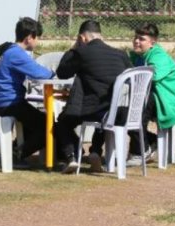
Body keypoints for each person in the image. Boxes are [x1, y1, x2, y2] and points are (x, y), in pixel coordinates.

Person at [53, 20, 131, 174]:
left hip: (95, 108)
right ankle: (95, 151)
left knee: (62, 121)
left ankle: (72, 157)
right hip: (121, 110)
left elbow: (62, 72)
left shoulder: (82, 52)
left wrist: (74, 48)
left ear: (82, 38)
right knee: (103, 116)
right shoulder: (121, 54)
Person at [125, 23, 175, 166]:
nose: (136, 41)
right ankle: (149, 142)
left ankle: (140, 152)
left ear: (152, 42)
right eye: (135, 37)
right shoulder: (138, 56)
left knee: (136, 110)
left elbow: (150, 77)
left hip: (170, 101)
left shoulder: (158, 56)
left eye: (142, 39)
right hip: (153, 96)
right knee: (123, 110)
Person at [0, 17, 54, 163]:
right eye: (37, 38)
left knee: (34, 122)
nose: (37, 42)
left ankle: (12, 150)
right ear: (30, 38)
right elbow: (39, 72)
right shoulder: (17, 54)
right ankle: (17, 153)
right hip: (9, 103)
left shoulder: (6, 50)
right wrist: (54, 74)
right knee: (49, 125)